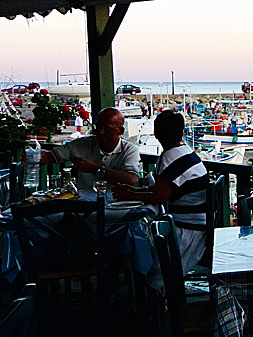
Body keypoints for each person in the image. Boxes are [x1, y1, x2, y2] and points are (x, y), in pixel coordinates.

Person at [112, 110, 209, 274]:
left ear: (157, 134)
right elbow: (164, 189)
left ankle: (152, 286)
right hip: (200, 226)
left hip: (186, 233)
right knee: (136, 235)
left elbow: (159, 197)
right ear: (181, 132)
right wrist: (137, 191)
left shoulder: (169, 157)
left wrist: (129, 195)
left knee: (131, 240)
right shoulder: (186, 151)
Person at [39, 107, 140, 190]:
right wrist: (36, 155)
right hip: (84, 205)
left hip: (117, 205)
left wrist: (95, 169)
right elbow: (52, 156)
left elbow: (131, 179)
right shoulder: (82, 144)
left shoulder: (129, 150)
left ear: (121, 131)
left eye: (107, 128)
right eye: (98, 127)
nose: (100, 132)